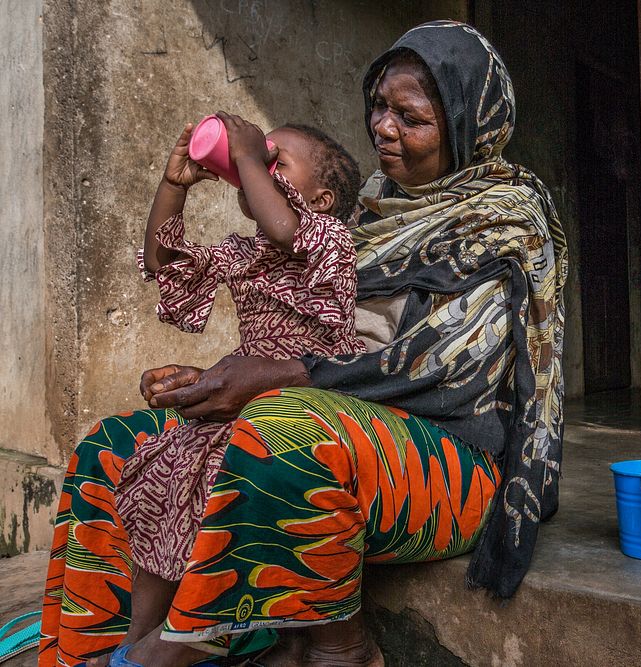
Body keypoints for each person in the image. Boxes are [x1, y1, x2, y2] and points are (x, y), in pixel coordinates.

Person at [40, 20, 567, 667]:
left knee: (282, 426)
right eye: (379, 105)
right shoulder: (372, 209)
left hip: (451, 456)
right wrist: (217, 377)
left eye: (411, 117)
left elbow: (441, 366)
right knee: (118, 445)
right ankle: (89, 650)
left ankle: (316, 648)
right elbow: (317, 334)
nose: (383, 126)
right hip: (334, 415)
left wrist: (275, 375)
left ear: (465, 127)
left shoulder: (505, 219)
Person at [108, 115, 366, 666]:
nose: (257, 166)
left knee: (222, 501)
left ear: (319, 199)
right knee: (163, 487)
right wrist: (174, 185)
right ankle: (136, 644)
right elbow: (163, 263)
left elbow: (285, 232)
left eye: (276, 163)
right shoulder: (241, 251)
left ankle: (193, 638)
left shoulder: (330, 240)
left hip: (304, 403)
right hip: (241, 402)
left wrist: (248, 154)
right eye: (259, 160)